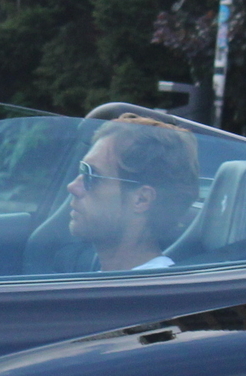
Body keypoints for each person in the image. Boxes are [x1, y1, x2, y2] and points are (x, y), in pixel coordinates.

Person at [65, 114, 199, 272]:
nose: (72, 187)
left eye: (91, 176)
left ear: (142, 199)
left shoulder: (152, 291)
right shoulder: (127, 283)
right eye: (82, 170)